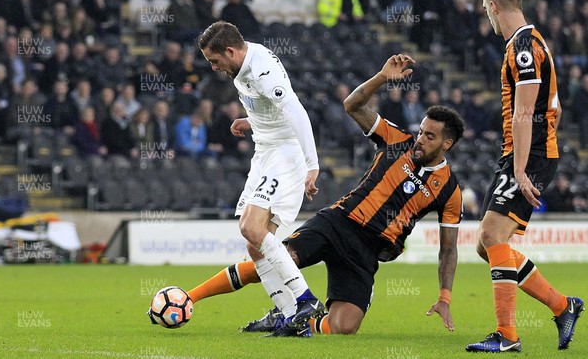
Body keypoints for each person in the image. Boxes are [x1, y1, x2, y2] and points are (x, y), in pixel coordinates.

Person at [186, 55, 465, 336]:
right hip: (339, 222)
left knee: (344, 327)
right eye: (421, 132)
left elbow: (449, 248)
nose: (420, 139)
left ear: (447, 143)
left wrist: (445, 297)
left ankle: (289, 317)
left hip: (367, 251)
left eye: (430, 137)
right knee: (279, 260)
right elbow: (352, 105)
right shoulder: (396, 140)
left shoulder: (450, 190)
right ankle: (190, 298)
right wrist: (381, 78)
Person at [466, 0, 583, 353]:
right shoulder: (536, 43)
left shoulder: (521, 47)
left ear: (495, 6)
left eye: (486, 10)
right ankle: (563, 306)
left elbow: (523, 112)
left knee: (490, 237)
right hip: (529, 152)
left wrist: (520, 168)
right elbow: (557, 106)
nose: (487, 18)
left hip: (526, 156)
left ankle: (508, 335)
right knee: (488, 245)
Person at [188, 21, 322, 337]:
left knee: (250, 227)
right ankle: (290, 316)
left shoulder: (263, 71)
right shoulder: (242, 67)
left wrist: (311, 164)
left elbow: (296, 111)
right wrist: (252, 121)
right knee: (256, 246)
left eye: (215, 59)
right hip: (264, 153)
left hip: (285, 155)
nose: (214, 67)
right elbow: (271, 109)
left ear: (231, 51)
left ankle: (306, 301)